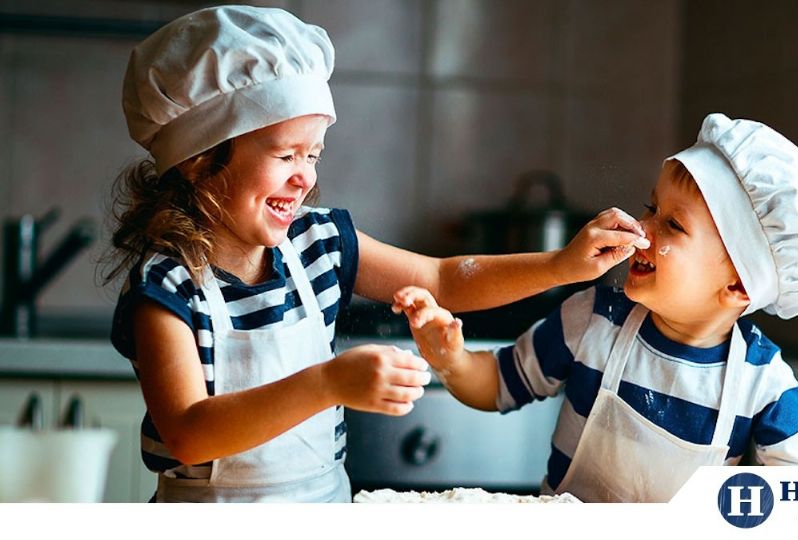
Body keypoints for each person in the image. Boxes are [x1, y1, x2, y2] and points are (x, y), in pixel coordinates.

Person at [104, 5, 648, 503]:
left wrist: (562, 266)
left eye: (313, 154)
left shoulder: (318, 243)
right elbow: (189, 432)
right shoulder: (167, 287)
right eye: (286, 153)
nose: (305, 176)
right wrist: (328, 382)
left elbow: (444, 277)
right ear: (201, 160)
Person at [393, 113, 798, 503]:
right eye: (650, 208)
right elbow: (497, 385)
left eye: (672, 224)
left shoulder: (764, 386)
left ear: (738, 283)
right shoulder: (593, 319)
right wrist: (450, 360)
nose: (642, 229)